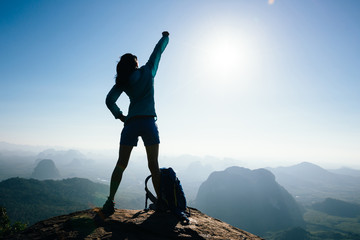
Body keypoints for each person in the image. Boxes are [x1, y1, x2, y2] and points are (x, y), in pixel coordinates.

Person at [102, 31, 169, 215]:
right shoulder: (148, 71)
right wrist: (165, 37)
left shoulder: (123, 81)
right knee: (154, 166)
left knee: (121, 164)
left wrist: (120, 116)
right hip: (148, 123)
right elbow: (158, 52)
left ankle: (110, 201)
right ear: (136, 64)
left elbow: (109, 100)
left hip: (131, 124)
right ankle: (162, 203)